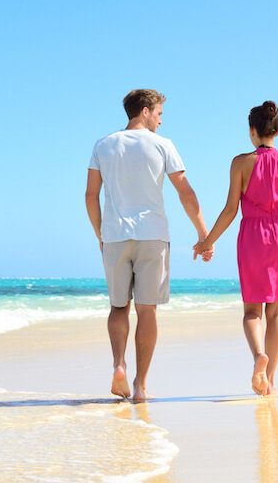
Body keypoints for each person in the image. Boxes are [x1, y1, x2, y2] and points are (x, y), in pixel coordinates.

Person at [86, 89, 212, 401]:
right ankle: (141, 386)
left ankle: (119, 365)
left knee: (118, 306)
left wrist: (101, 235)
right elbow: (186, 192)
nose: (160, 119)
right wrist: (203, 234)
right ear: (145, 110)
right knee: (147, 310)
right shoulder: (162, 145)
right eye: (158, 113)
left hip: (115, 236)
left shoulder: (103, 145)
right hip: (152, 236)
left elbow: (90, 196)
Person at [194, 101, 278, 396]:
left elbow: (229, 211)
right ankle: (269, 380)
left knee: (252, 312)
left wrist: (207, 241)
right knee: (276, 313)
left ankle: (258, 355)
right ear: (277, 130)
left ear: (252, 131)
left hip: (254, 238)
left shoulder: (240, 162)